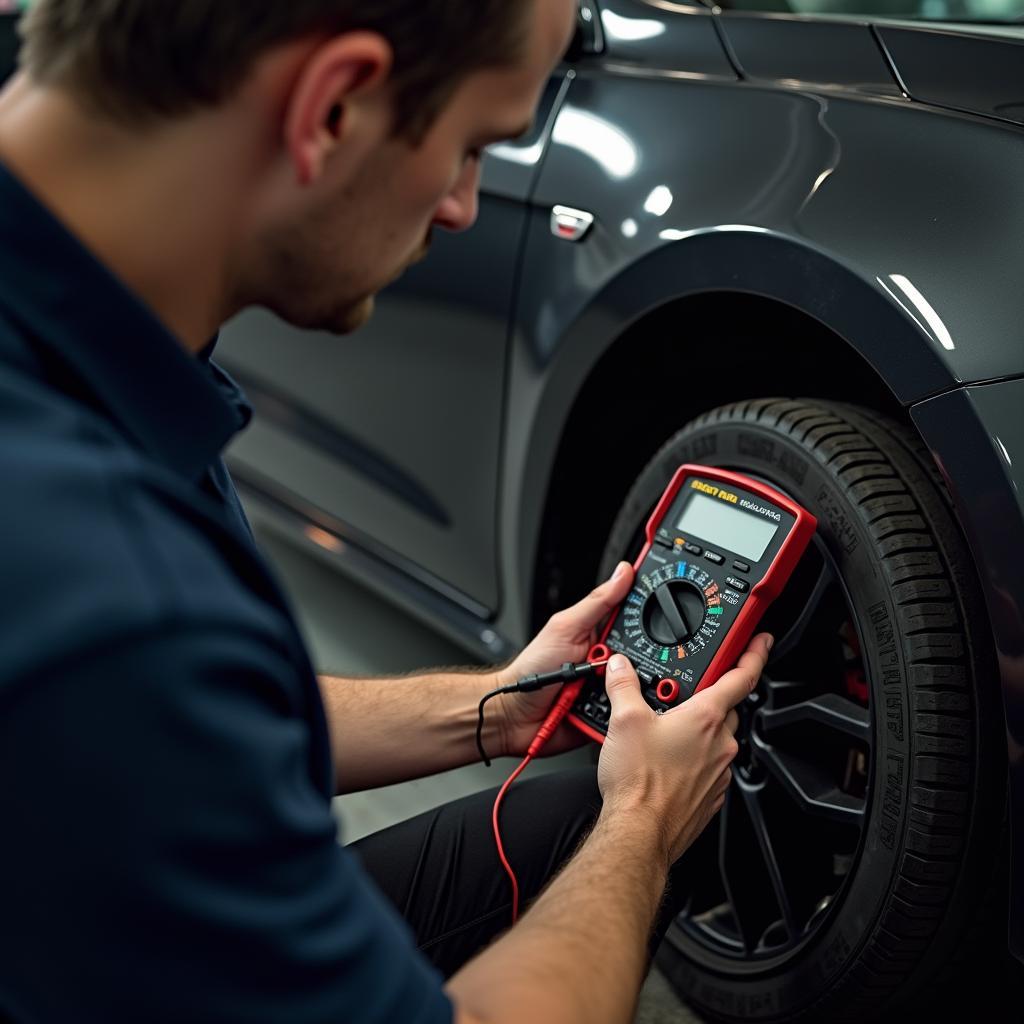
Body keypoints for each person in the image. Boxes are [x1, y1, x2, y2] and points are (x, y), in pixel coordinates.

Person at [0, 1, 771, 1021]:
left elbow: (206, 715)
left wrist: (495, 703)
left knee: (559, 803)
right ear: (332, 107)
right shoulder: (116, 594)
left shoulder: (85, 388)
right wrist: (645, 819)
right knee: (610, 824)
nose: (461, 205)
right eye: (468, 146)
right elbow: (148, 681)